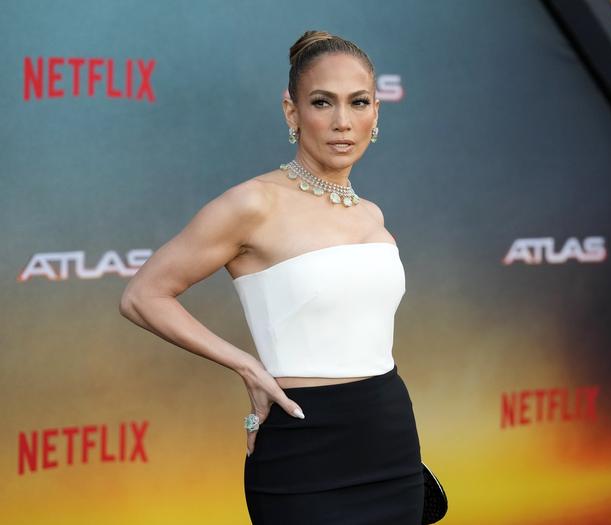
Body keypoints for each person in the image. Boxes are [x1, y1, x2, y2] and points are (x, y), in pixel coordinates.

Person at [118, 30, 424, 524]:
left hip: (390, 441)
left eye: (358, 102)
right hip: (303, 446)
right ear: (291, 112)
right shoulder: (253, 204)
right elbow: (142, 296)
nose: (342, 121)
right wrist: (247, 365)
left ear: (376, 112)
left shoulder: (371, 214)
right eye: (322, 102)